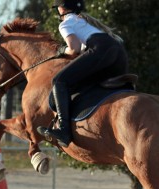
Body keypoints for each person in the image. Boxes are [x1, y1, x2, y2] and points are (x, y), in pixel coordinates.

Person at [37, 0, 129, 147]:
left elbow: (74, 49)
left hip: (102, 49)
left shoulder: (66, 23)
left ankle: (64, 131)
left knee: (59, 81)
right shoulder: (85, 21)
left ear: (61, 9)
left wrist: (61, 51)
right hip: (119, 55)